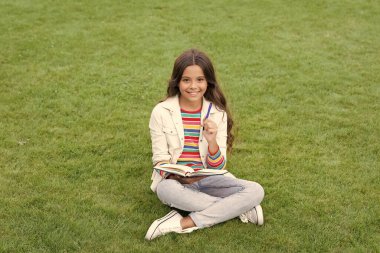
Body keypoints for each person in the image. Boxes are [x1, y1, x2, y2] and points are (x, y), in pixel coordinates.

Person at [145, 49, 265, 240]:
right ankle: (239, 209)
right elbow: (160, 159)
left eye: (200, 80)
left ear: (208, 81)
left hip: (209, 180)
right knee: (165, 189)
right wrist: (175, 173)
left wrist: (212, 141)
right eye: (186, 80)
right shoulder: (161, 111)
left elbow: (218, 167)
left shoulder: (218, 113)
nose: (193, 86)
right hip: (175, 183)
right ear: (177, 81)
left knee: (256, 190)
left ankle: (182, 222)